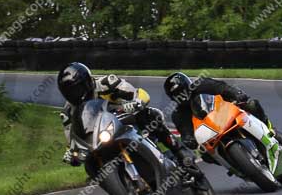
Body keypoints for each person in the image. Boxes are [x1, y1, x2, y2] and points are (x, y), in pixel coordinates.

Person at [58, 62, 192, 167]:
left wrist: (136, 102)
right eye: (70, 92)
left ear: (87, 82)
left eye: (77, 89)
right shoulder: (68, 112)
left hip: (124, 119)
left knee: (150, 115)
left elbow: (139, 94)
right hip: (100, 137)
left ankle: (179, 150)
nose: (75, 95)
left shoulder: (106, 83)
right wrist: (71, 152)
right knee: (89, 162)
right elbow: (72, 139)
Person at [164, 71, 282, 150]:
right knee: (205, 154)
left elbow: (224, 88)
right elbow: (186, 132)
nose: (183, 96)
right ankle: (238, 166)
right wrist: (188, 139)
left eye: (183, 91)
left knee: (251, 104)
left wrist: (238, 95)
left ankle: (271, 129)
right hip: (212, 133)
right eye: (178, 94)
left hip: (228, 111)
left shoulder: (204, 84)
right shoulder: (178, 114)